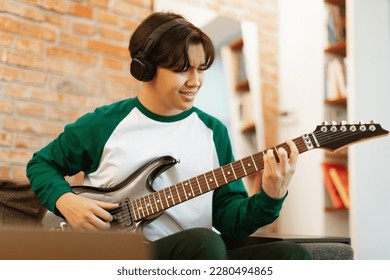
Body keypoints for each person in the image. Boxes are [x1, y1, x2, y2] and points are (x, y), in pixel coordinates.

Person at [26, 11, 311, 260]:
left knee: (292, 255)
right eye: (182, 69)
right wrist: (66, 201)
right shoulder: (106, 122)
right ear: (145, 68)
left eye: (201, 69)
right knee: (205, 241)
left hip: (195, 256)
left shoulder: (214, 131)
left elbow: (229, 220)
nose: (195, 81)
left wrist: (271, 196)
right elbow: (41, 164)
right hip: (122, 255)